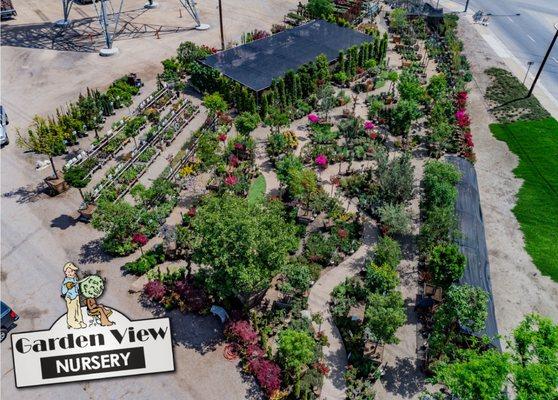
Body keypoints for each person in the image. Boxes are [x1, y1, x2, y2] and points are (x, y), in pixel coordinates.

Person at [61, 262, 86, 329]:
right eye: (69, 271)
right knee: (72, 310)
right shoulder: (66, 281)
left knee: (78, 309)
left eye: (72, 271)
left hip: (76, 296)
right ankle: (71, 322)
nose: (71, 273)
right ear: (66, 272)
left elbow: (77, 287)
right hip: (70, 298)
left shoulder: (75, 279)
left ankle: (80, 320)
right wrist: (67, 286)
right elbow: (63, 291)